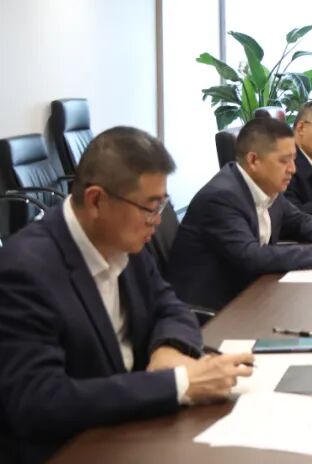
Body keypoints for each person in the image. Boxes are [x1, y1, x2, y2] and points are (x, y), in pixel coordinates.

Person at [0, 127, 253, 463]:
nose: (156, 221)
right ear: (96, 201)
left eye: (162, 205)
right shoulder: (25, 270)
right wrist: (178, 384)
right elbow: (39, 401)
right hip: (73, 449)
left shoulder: (123, 240)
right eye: (150, 207)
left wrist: (169, 350)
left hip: (133, 426)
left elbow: (170, 305)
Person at [168, 117, 312, 310]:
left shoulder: (265, 185)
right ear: (253, 160)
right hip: (217, 311)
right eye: (284, 161)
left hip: (254, 293)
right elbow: (251, 256)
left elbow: (298, 221)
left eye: (293, 160)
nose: (292, 169)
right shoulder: (222, 197)